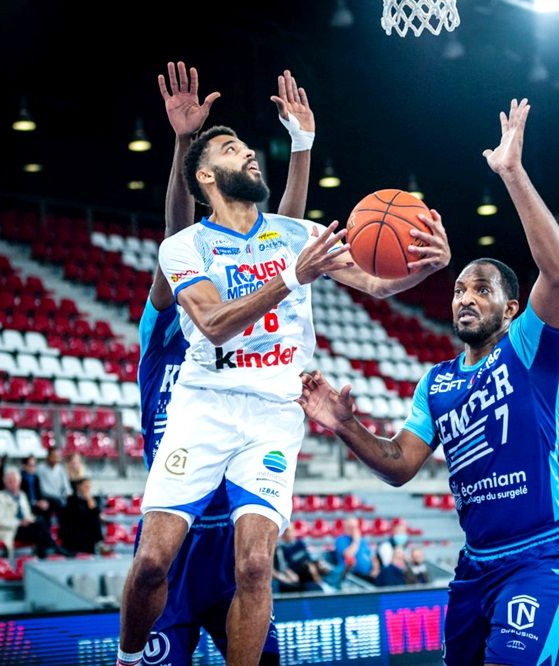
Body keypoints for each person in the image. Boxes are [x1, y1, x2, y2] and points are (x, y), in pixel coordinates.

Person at [122, 60, 451, 665]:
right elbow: (215, 322)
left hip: (273, 414)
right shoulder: (184, 246)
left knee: (255, 566)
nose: (249, 151)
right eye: (232, 148)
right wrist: (290, 278)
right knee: (148, 565)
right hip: (205, 406)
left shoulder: (294, 233)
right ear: (205, 176)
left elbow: (378, 284)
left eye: (248, 146)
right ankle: (126, 658)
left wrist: (426, 267)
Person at [299, 99, 559, 665]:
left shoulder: (528, 349)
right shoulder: (436, 383)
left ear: (511, 309)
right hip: (475, 566)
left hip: (542, 558)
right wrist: (344, 425)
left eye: (481, 289)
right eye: (459, 290)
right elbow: (400, 465)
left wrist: (512, 173)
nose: (465, 298)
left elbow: (558, 274)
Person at [118, 62, 328, 666]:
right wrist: (184, 143)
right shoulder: (165, 322)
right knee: (151, 573)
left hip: (230, 536)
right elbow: (178, 232)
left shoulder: (252, 275)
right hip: (178, 536)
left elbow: (278, 240)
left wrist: (301, 148)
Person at [0, 467, 59, 558]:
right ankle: (51, 550)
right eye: (10, 481)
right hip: (8, 530)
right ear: (5, 483)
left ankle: (44, 554)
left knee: (40, 523)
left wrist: (29, 520)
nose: (13, 484)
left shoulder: (22, 495)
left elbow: (27, 514)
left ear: (19, 482)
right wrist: (19, 522)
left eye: (15, 481)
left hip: (23, 527)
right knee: (39, 526)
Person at [276, 525, 326, 592]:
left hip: (307, 568)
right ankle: (322, 586)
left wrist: (314, 565)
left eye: (290, 532)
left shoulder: (300, 543)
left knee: (320, 567)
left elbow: (308, 558)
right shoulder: (281, 548)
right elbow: (284, 566)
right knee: (310, 570)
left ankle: (324, 586)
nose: (288, 534)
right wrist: (291, 575)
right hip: (295, 571)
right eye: (285, 533)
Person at [60, 477, 103, 554]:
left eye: (89, 486)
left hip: (87, 528)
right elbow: (77, 515)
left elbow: (96, 512)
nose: (87, 488)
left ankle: (98, 543)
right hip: (75, 527)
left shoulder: (93, 499)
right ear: (79, 487)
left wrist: (89, 499)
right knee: (92, 520)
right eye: (85, 486)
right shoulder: (71, 499)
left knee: (95, 519)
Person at [36, 447, 70, 517]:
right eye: (54, 456)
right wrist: (59, 497)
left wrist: (67, 493)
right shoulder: (40, 468)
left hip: (61, 497)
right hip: (47, 497)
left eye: (58, 457)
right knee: (59, 503)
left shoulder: (60, 469)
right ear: (48, 457)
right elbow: (43, 490)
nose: (56, 459)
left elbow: (66, 486)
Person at [20, 455, 51, 520]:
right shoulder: (20, 478)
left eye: (35, 465)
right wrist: (35, 503)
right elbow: (22, 497)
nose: (33, 468)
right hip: (26, 504)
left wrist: (42, 501)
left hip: (37, 503)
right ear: (24, 466)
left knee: (48, 505)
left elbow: (39, 493)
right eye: (31, 465)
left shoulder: (36, 478)